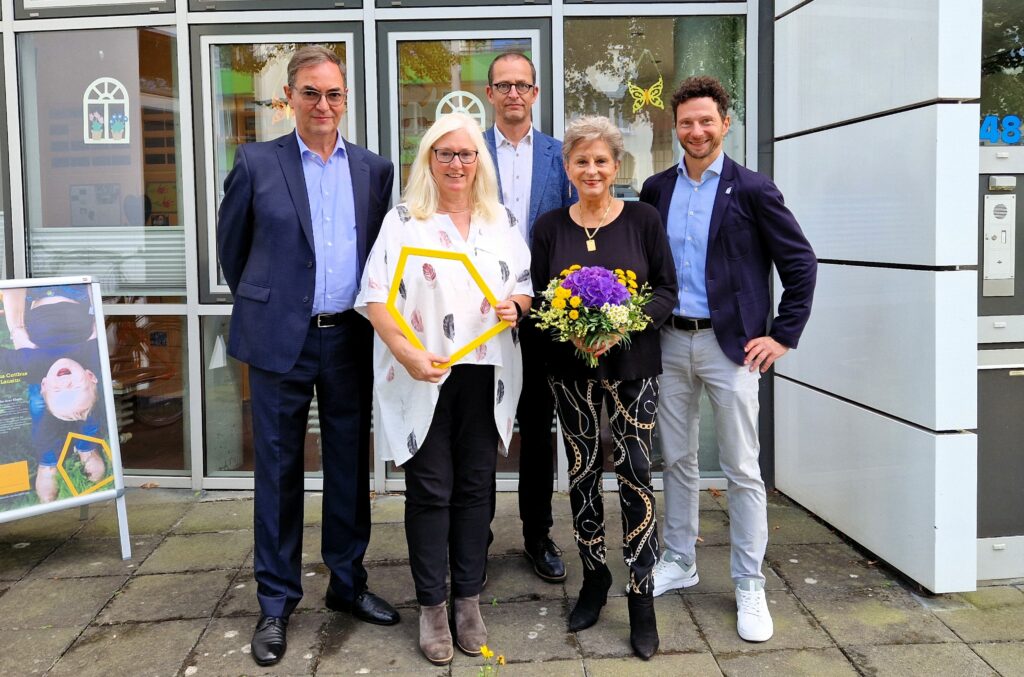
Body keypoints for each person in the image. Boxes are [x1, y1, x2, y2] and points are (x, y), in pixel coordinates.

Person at [217, 45, 399, 668]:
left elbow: (380, 256)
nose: (324, 105)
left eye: (335, 94)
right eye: (312, 93)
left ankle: (348, 585)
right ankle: (275, 603)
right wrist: (276, 302)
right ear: (289, 98)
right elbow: (233, 251)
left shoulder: (375, 170)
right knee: (278, 470)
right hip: (278, 341)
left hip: (348, 336)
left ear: (346, 99)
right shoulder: (256, 162)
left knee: (349, 468)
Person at [640, 75, 817, 643]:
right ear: (676, 125)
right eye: (686, 122)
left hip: (734, 347)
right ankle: (680, 560)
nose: (695, 131)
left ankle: (748, 583)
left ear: (725, 123)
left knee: (742, 470)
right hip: (670, 342)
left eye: (706, 121)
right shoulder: (655, 190)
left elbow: (801, 264)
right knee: (679, 460)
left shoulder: (754, 189)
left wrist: (782, 335)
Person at [356, 112, 532, 666]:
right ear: (428, 159)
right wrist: (407, 354)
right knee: (431, 491)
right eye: (445, 153)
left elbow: (524, 287)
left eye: (467, 154)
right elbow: (374, 296)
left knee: (477, 488)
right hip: (425, 374)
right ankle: (433, 607)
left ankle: (469, 603)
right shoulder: (405, 220)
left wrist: (518, 307)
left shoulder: (500, 219)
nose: (457, 164)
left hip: (486, 374)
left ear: (480, 161)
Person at [530, 115, 677, 660]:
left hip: (634, 367)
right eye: (581, 161)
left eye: (601, 160)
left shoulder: (643, 219)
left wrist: (622, 325)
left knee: (637, 475)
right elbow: (542, 299)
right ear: (567, 168)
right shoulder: (549, 227)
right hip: (571, 371)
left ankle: (641, 595)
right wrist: (573, 332)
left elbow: (666, 290)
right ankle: (594, 577)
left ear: (617, 166)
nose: (591, 170)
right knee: (583, 471)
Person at [482, 52, 576, 583]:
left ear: (535, 94)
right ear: (490, 94)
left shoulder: (560, 155)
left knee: (539, 431)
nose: (514, 93)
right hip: (481, 312)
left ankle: (538, 535)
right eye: (504, 85)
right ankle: (479, 534)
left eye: (522, 85)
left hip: (542, 314)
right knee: (480, 430)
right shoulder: (467, 152)